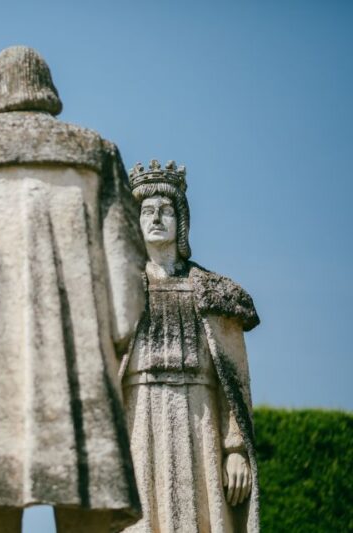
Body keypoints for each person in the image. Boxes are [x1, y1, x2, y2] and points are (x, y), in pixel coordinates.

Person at [0, 46, 146, 533]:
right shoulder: (97, 152)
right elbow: (125, 255)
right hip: (78, 356)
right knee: (85, 491)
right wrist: (119, 332)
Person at [121, 160, 260, 532]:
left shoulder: (214, 294)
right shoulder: (118, 293)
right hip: (139, 415)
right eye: (147, 211)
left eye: (166, 211)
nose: (156, 218)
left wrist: (235, 450)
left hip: (199, 419)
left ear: (180, 221)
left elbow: (235, 381)